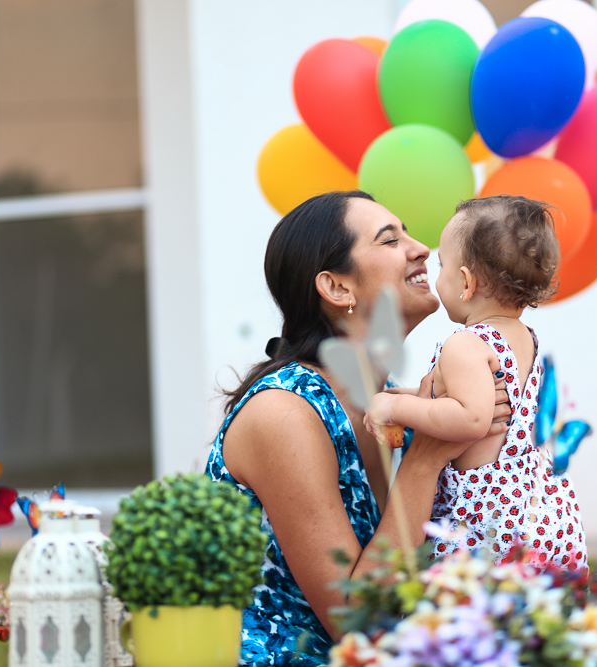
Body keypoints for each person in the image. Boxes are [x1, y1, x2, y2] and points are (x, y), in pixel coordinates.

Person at [205, 191, 511, 666]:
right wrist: (427, 457)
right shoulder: (285, 413)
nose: (421, 249)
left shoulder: (397, 405)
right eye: (390, 240)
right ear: (338, 288)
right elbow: (354, 621)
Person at [364, 196, 586, 571]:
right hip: (542, 512)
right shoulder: (525, 338)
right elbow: (452, 401)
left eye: (442, 266)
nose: (436, 277)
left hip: (489, 521)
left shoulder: (467, 344)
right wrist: (407, 397)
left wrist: (393, 407)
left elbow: (470, 419)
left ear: (465, 281)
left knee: (461, 615)